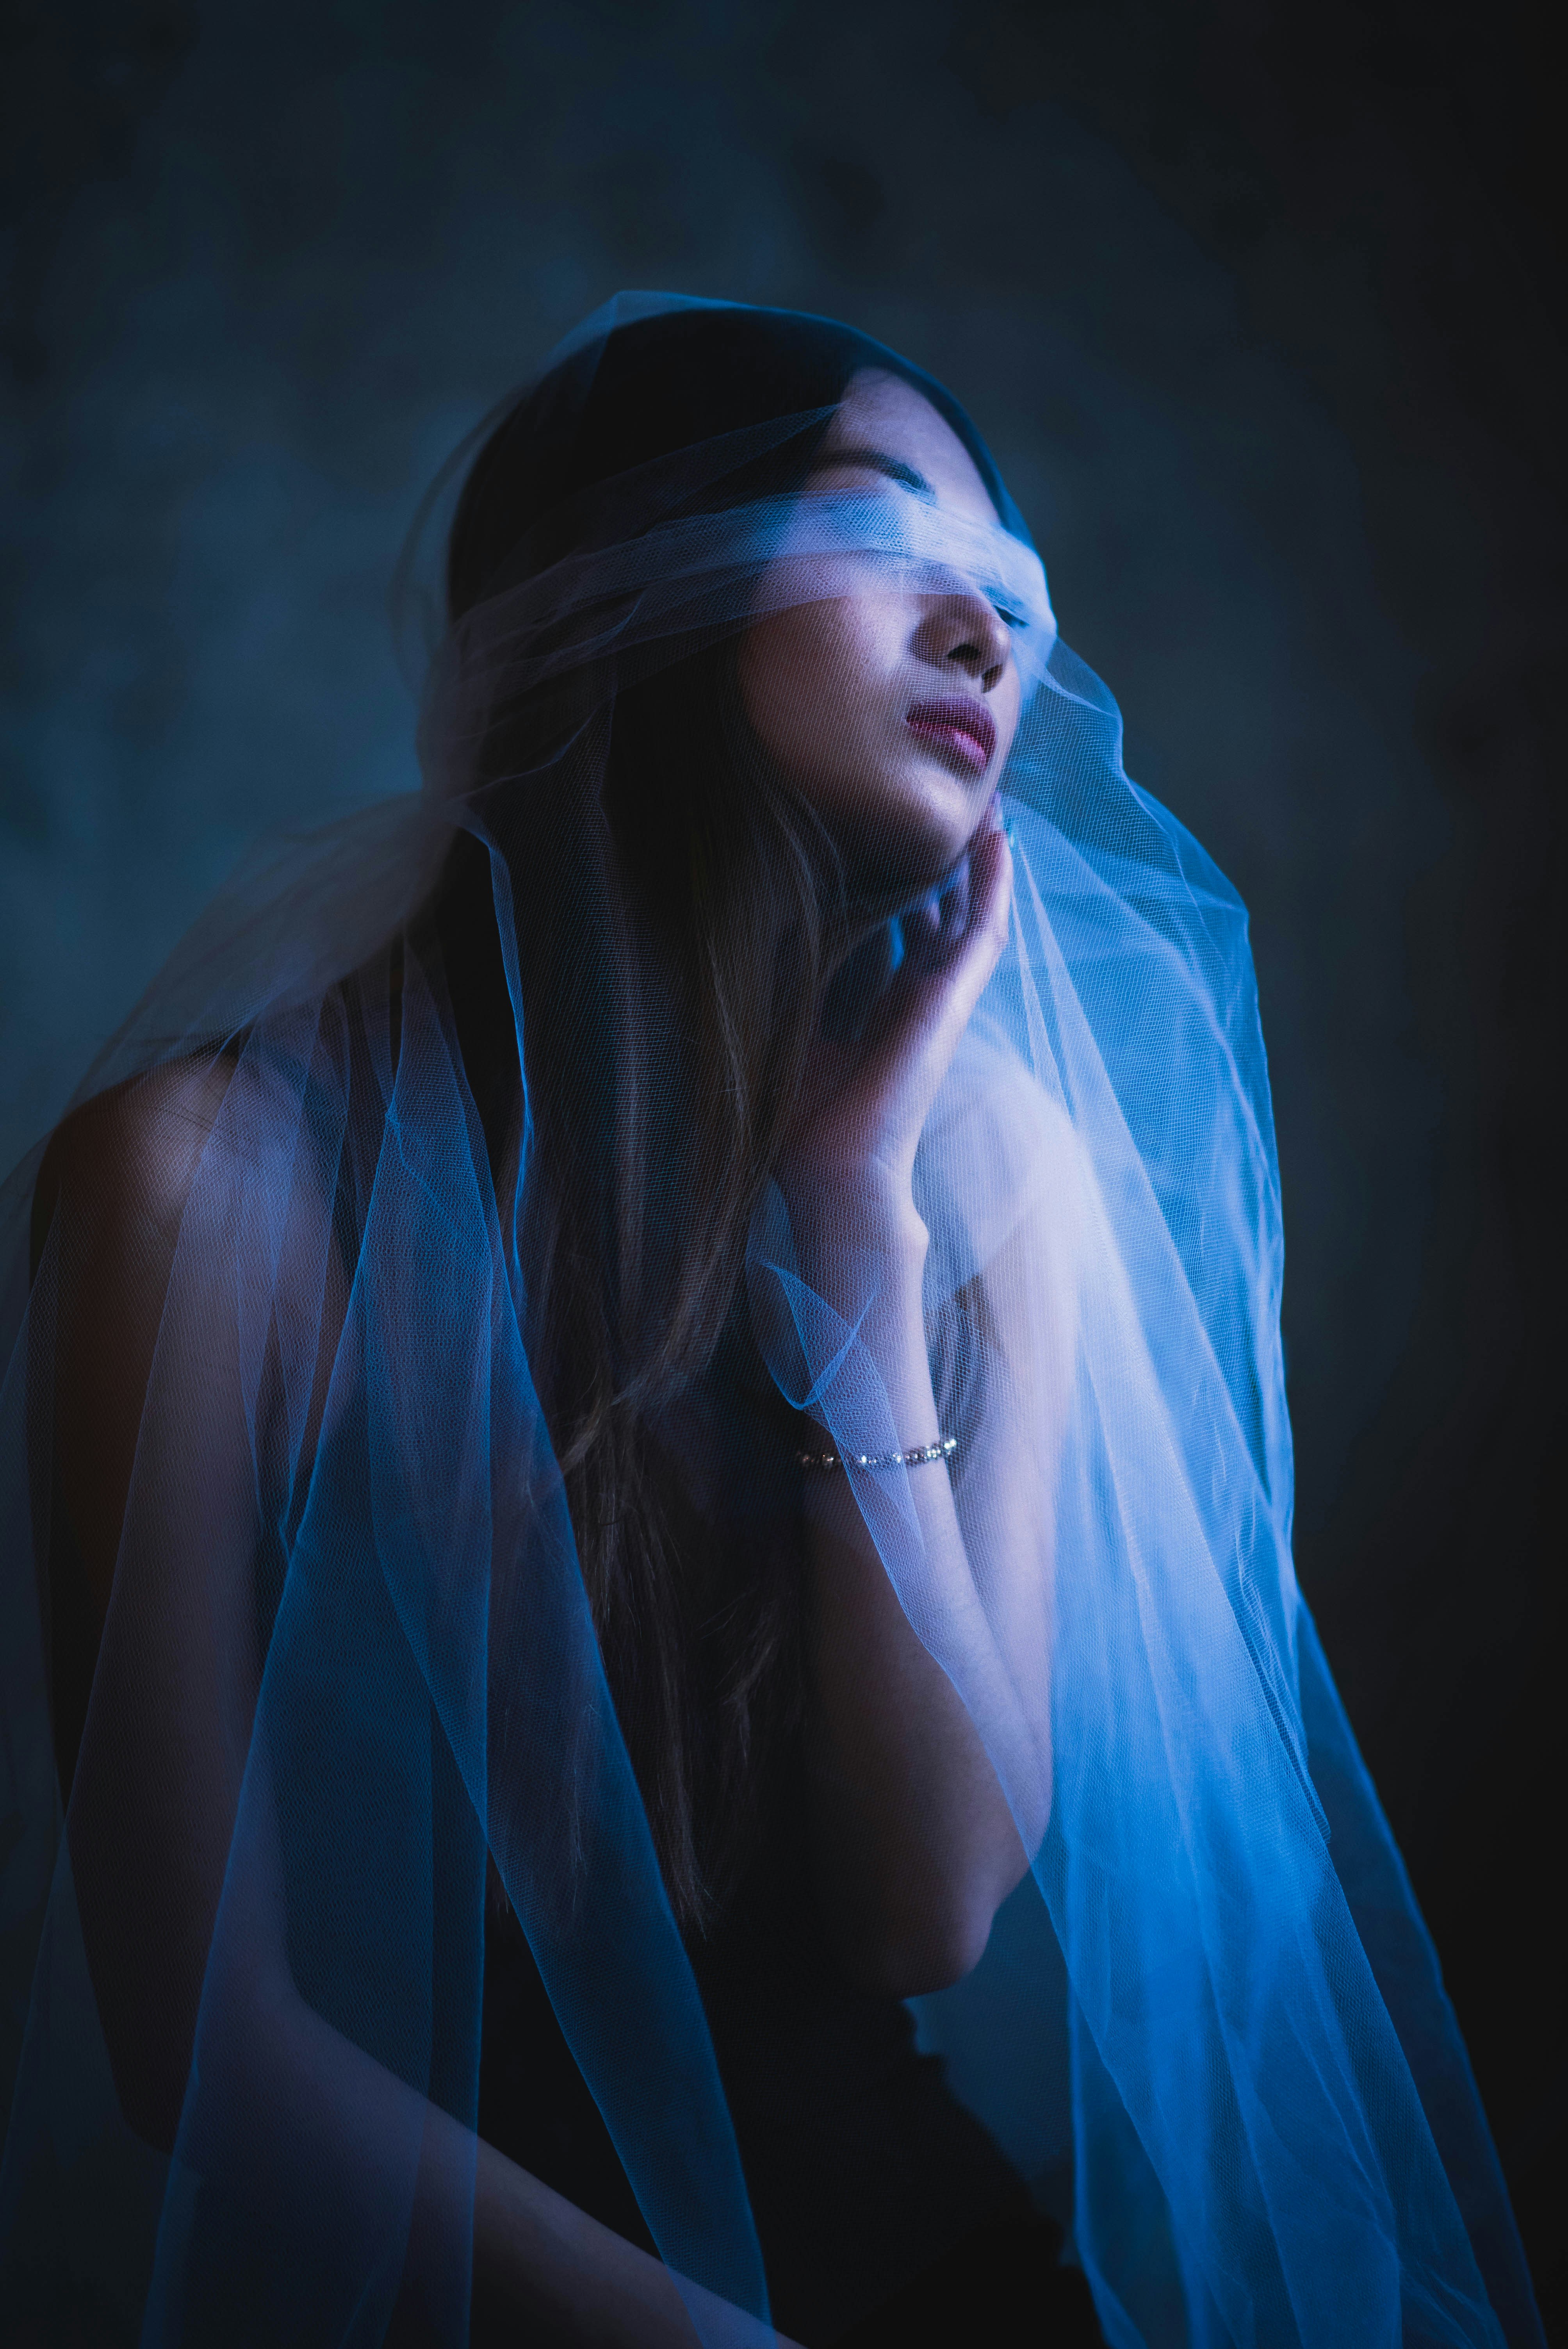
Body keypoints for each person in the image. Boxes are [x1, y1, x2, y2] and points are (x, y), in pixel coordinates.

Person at [0, 295, 1540, 2349]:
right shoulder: (202, 1191)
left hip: (929, 2282)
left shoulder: (986, 1186)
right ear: (626, 583)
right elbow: (200, 2036)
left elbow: (927, 1907)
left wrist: (853, 1224)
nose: (992, 630)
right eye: (890, 532)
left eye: (1011, 585)